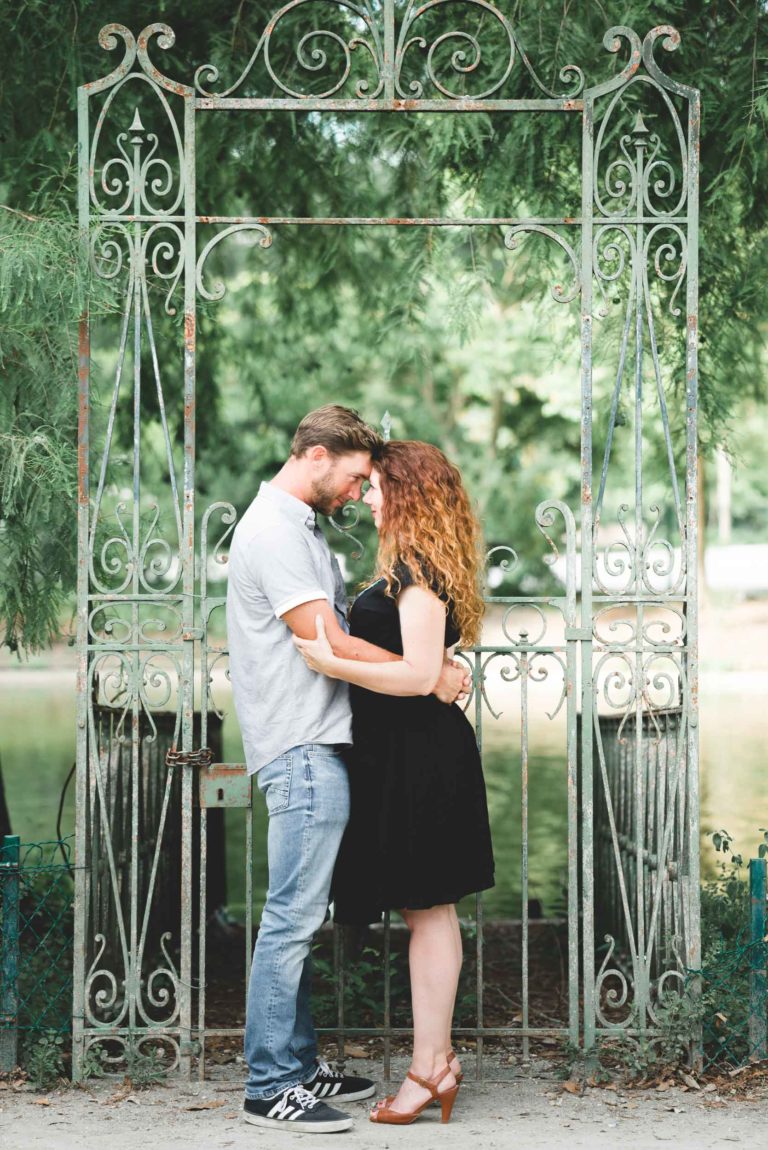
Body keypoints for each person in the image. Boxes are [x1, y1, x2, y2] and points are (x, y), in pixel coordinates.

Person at [226, 407, 470, 1134]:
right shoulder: (272, 532)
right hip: (302, 744)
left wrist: (427, 667)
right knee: (291, 921)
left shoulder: (298, 529)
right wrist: (430, 675)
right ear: (319, 455)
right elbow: (324, 639)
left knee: (300, 918)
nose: (359, 493)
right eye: (357, 476)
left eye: (372, 483)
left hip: (325, 742)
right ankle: (271, 1085)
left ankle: (296, 1065)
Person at [294, 440, 495, 1127]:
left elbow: (414, 675)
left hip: (421, 757)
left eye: (377, 487)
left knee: (430, 910)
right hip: (403, 755)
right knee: (427, 911)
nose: (367, 498)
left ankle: (429, 1069)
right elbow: (426, 665)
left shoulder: (415, 569)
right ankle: (434, 1063)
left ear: (407, 494)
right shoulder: (409, 568)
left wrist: (331, 662)